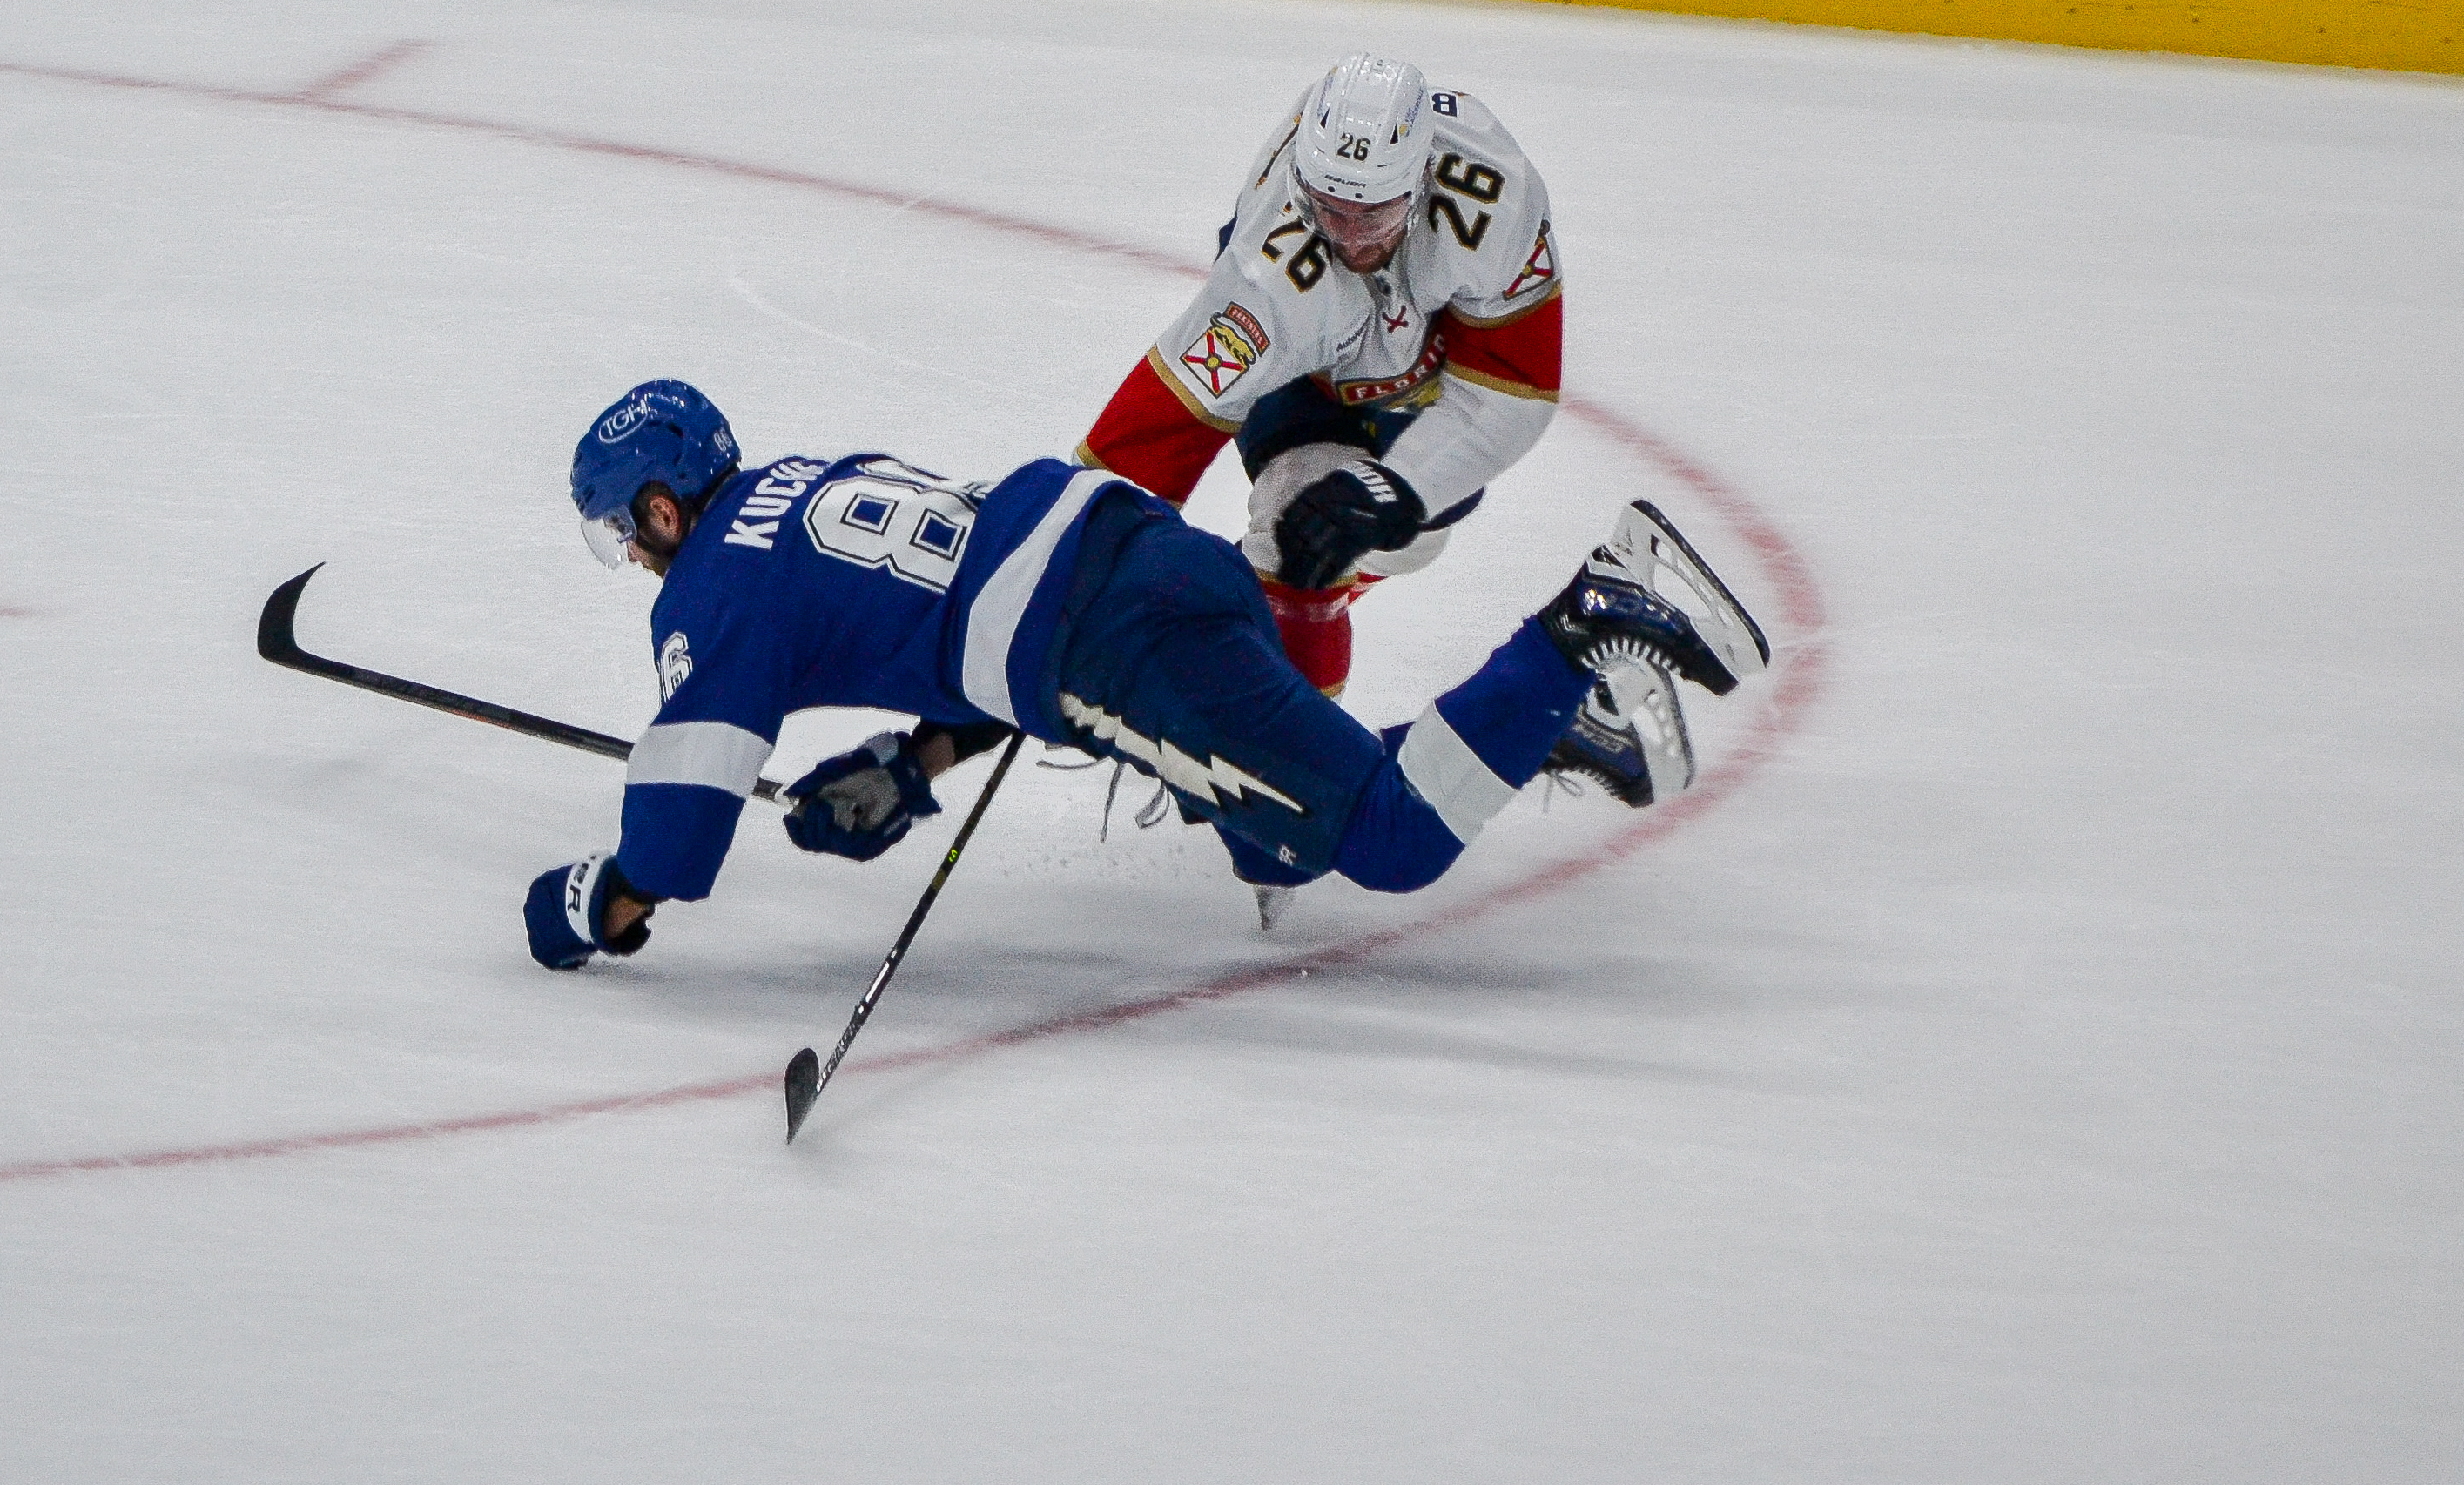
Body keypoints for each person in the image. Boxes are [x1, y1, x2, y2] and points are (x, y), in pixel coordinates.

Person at [521, 378, 1767, 971]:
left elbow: (676, 837)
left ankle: (1590, 616)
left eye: (626, 528)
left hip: (1115, 649)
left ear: (663, 507)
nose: (631, 554)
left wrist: (589, 902)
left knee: (1389, 841)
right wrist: (916, 758)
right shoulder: (798, 481)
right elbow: (962, 602)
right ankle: (1541, 727)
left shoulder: (711, 592)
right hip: (1140, 550)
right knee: (1278, 844)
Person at [1074, 52, 1572, 716]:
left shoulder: (1495, 199)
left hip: (1427, 357)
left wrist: (1396, 487)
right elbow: (1155, 431)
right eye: (1329, 210)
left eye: (1372, 216)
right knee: (1296, 531)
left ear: (1421, 180)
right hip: (1303, 370)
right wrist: (1063, 572)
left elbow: (1511, 388)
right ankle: (1286, 746)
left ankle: (1241, 641)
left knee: (1412, 534)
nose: (1348, 239)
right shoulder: (1268, 273)